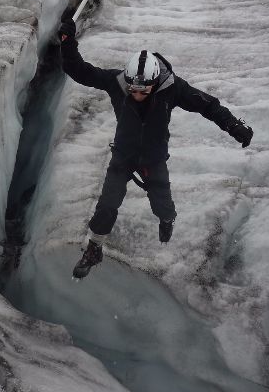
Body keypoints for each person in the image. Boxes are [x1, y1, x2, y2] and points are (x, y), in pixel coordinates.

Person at [57, 17, 254, 279]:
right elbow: (79, 70)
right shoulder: (118, 82)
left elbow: (208, 105)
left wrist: (233, 126)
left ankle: (167, 218)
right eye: (133, 90)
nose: (137, 94)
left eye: (143, 90)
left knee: (161, 203)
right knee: (107, 203)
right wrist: (68, 41)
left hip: (153, 157)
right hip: (124, 154)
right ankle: (94, 248)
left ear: (155, 83)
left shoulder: (172, 89)